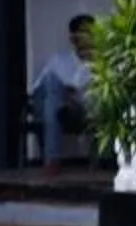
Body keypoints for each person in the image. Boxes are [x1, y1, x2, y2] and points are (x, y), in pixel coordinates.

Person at [30, 13, 95, 168]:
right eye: (84, 33)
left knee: (56, 100)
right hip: (50, 105)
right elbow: (39, 88)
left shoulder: (101, 63)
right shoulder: (58, 60)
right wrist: (62, 92)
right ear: (73, 38)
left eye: (92, 33)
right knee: (52, 89)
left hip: (81, 109)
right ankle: (52, 160)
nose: (89, 38)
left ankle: (51, 161)